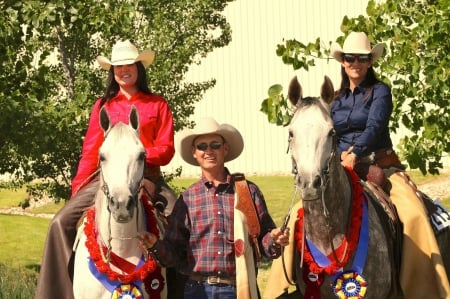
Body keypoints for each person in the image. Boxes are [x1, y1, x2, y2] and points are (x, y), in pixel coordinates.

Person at [35, 39, 176, 299]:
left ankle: (179, 290)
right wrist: (78, 189)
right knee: (59, 223)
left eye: (128, 65)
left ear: (138, 68)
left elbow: (166, 149)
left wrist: (138, 155)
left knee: (180, 222)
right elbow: (90, 150)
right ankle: (57, 293)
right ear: (112, 72)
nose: (123, 70)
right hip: (106, 177)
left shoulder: (157, 104)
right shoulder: (103, 106)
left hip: (148, 175)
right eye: (117, 67)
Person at [329, 32, 450, 298]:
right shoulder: (335, 99)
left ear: (370, 61)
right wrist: (338, 158)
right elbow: (328, 134)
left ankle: (423, 287)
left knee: (415, 213)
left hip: (379, 165)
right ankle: (286, 284)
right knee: (301, 214)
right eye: (350, 58)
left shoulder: (380, 91)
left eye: (362, 58)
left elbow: (374, 126)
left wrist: (355, 153)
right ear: (343, 61)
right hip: (340, 169)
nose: (355, 63)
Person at [138, 117, 290, 299]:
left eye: (215, 145)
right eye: (202, 146)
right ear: (194, 152)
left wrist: (275, 239)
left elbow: (264, 243)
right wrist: (155, 245)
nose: (208, 151)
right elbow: (174, 254)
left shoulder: (247, 191)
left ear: (225, 149)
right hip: (197, 291)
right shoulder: (187, 199)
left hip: (239, 289)